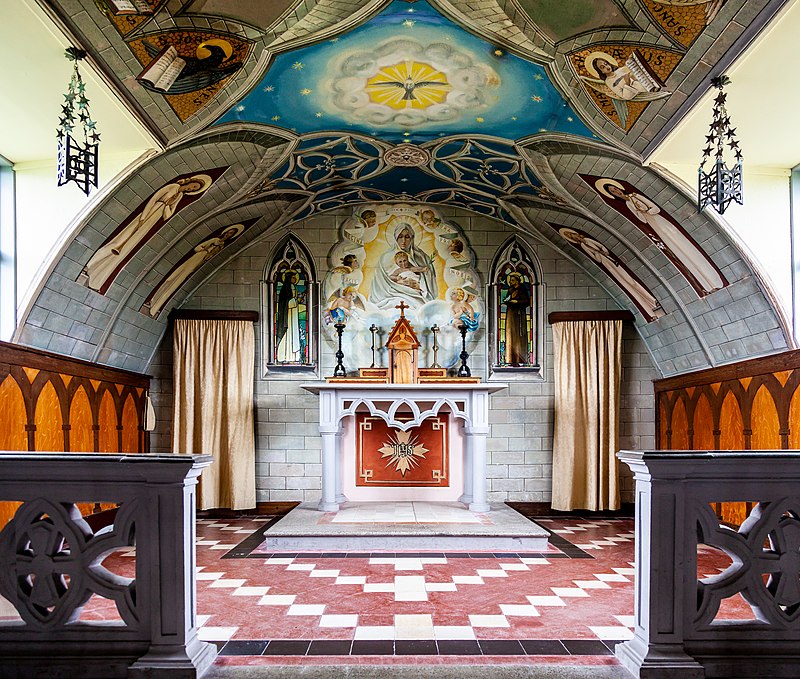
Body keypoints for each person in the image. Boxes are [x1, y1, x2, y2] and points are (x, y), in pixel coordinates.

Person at [84, 174, 212, 293]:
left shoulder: (179, 196)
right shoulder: (173, 187)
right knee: (119, 241)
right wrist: (143, 217)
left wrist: (167, 206)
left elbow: (168, 215)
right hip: (146, 216)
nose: (191, 188)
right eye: (193, 185)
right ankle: (89, 265)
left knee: (126, 249)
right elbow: (153, 199)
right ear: (191, 181)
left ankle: (98, 278)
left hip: (153, 220)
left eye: (194, 189)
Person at [597, 178, 725, 295]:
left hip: (660, 220)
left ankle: (714, 280)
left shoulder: (635, 196)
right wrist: (640, 213)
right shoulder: (628, 204)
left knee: (685, 247)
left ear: (620, 188)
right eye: (613, 192)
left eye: (615, 189)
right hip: (654, 226)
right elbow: (641, 220)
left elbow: (655, 208)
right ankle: (705, 285)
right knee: (677, 252)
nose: (615, 191)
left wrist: (647, 211)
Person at [559, 228, 665, 321]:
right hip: (606, 263)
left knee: (631, 280)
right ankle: (650, 310)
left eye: (573, 235)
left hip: (612, 260)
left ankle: (653, 301)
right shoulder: (583, 245)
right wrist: (598, 254)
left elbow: (602, 247)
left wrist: (603, 251)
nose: (574, 237)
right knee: (626, 285)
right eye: (572, 237)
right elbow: (597, 259)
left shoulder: (587, 240)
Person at [144, 224, 243, 318]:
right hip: (195, 258)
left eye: (231, 234)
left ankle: (157, 306)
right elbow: (197, 248)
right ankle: (153, 300)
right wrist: (206, 250)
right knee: (172, 278)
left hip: (199, 263)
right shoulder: (214, 240)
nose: (228, 234)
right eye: (228, 232)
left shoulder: (221, 246)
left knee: (177, 283)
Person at [370, 221, 438, 309]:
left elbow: (428, 278)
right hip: (392, 294)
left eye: (407, 237)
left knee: (419, 306)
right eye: (400, 237)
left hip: (416, 292)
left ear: (412, 238)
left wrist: (419, 285)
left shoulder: (421, 257)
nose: (403, 241)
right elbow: (380, 283)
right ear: (395, 238)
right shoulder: (385, 257)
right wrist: (399, 282)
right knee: (394, 304)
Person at [275, 270, 304, 363]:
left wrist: (297, 299)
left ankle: (294, 357)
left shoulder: (292, 287)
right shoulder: (285, 289)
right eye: (293, 277)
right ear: (288, 278)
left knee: (293, 334)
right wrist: (295, 300)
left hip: (293, 315)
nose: (295, 279)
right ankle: (284, 356)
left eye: (295, 277)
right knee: (288, 334)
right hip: (287, 317)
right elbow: (285, 303)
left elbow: (292, 300)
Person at [502, 273, 530, 365]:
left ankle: (521, 359)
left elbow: (527, 301)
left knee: (519, 334)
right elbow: (507, 299)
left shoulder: (522, 290)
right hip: (510, 313)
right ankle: (509, 358)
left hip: (519, 314)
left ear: (518, 281)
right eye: (510, 280)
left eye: (512, 280)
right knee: (510, 333)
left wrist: (517, 301)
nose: (510, 281)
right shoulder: (511, 290)